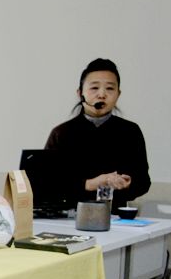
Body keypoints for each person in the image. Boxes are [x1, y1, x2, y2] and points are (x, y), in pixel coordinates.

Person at [44, 58, 150, 211]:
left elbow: (143, 182)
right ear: (80, 93)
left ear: (118, 94)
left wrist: (127, 184)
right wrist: (91, 184)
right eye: (94, 88)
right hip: (68, 216)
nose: (102, 94)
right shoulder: (62, 133)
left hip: (114, 217)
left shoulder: (130, 131)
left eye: (110, 88)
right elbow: (47, 182)